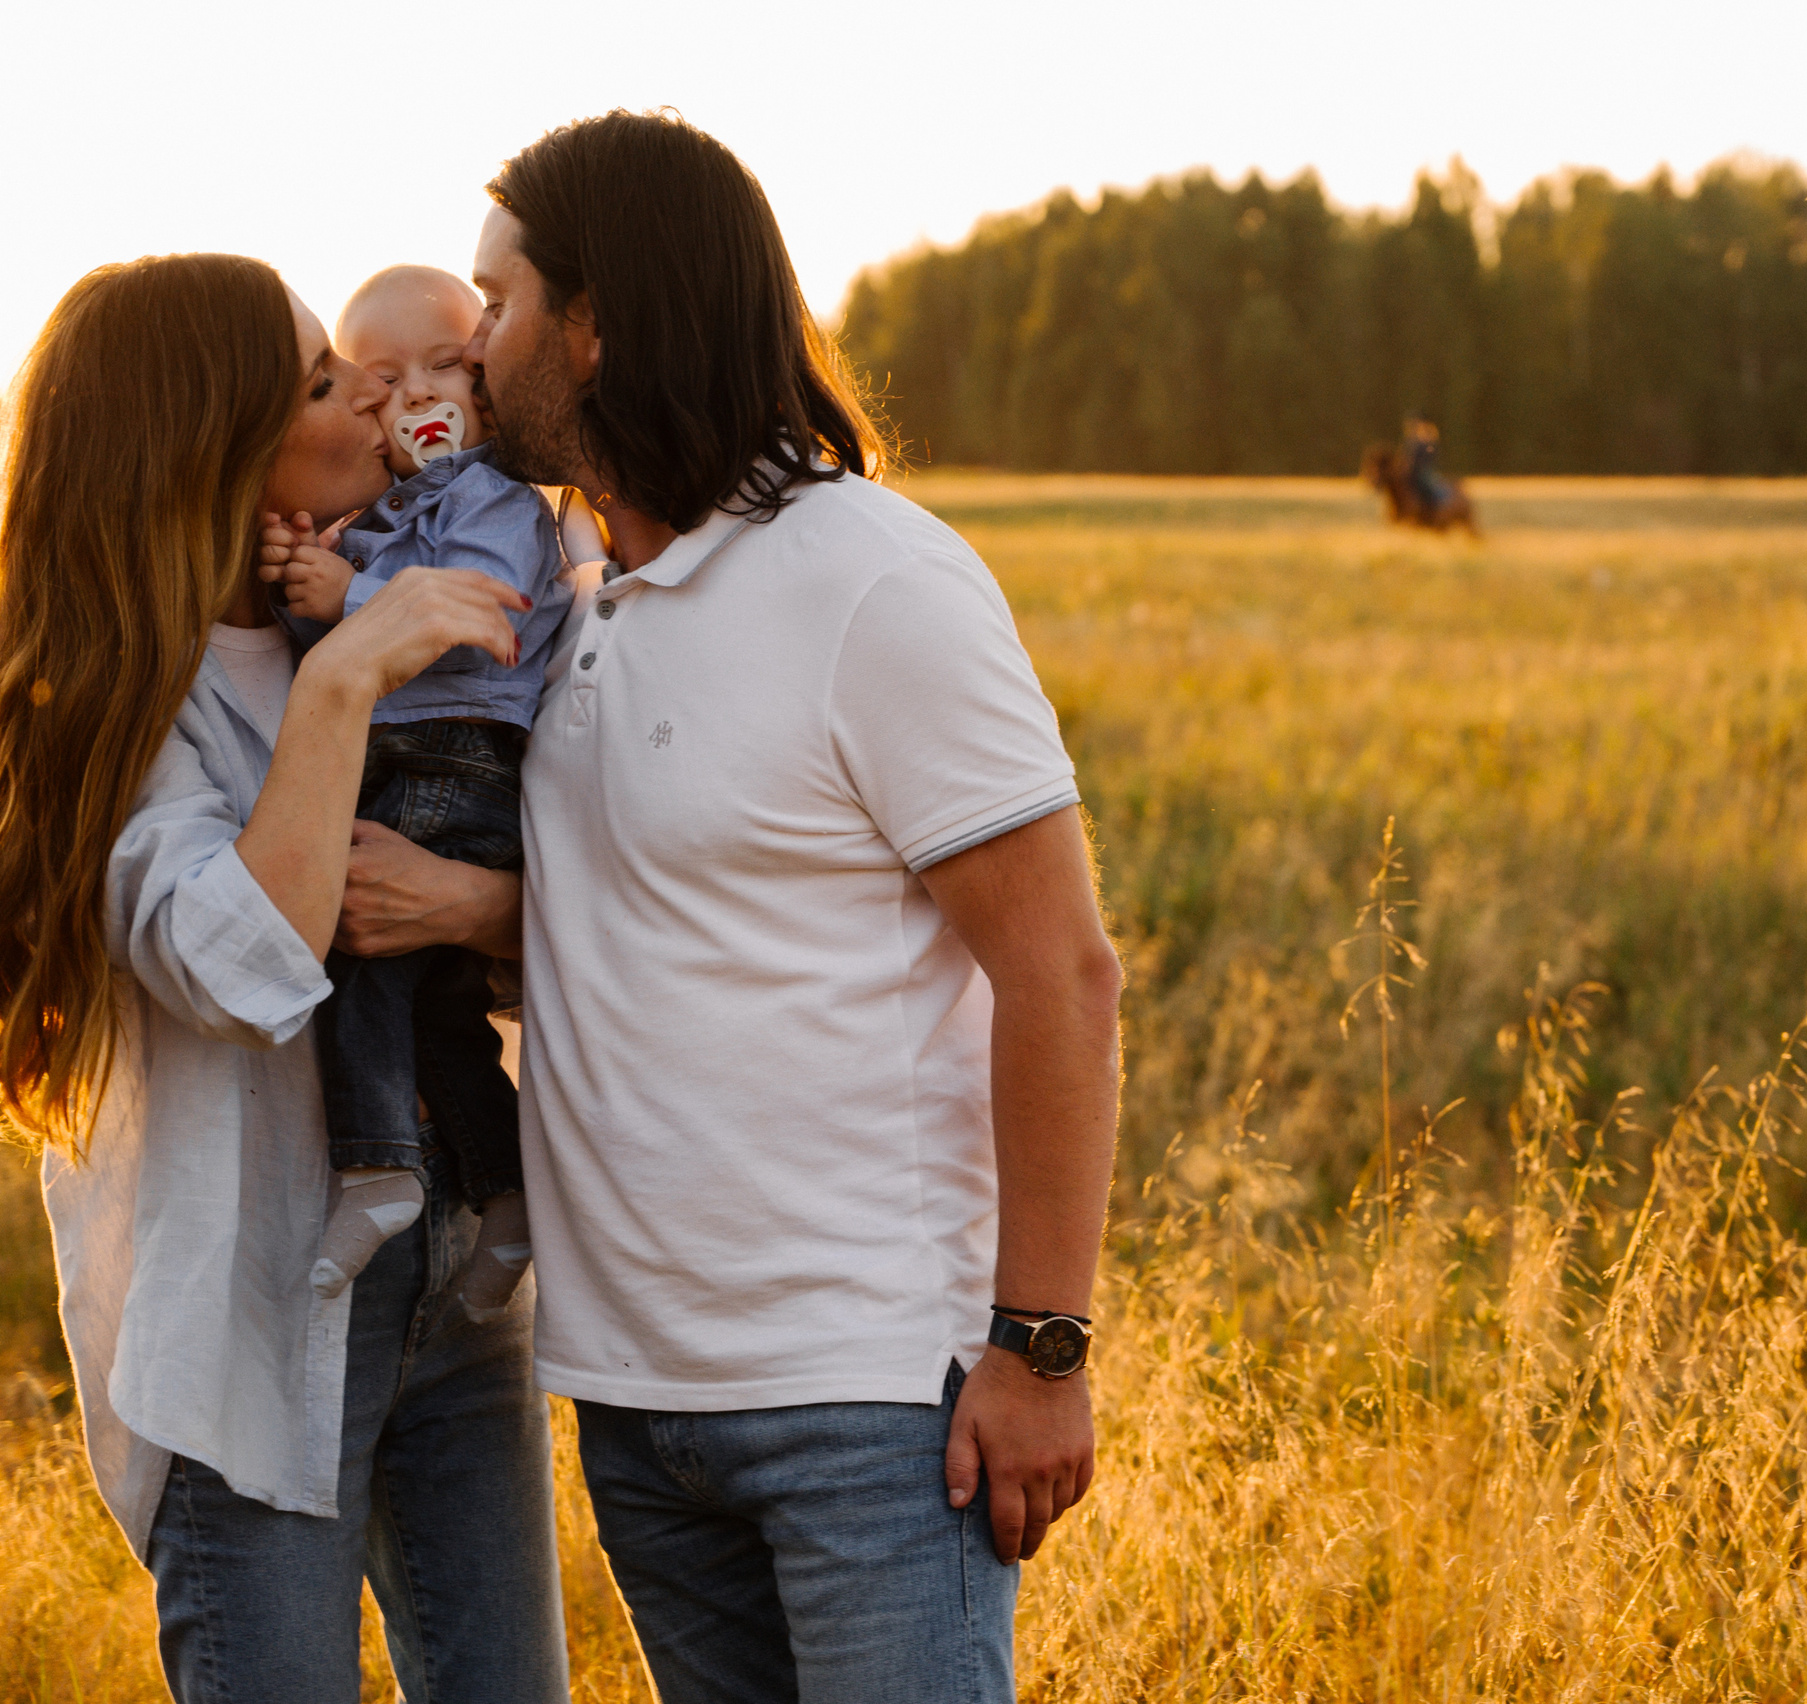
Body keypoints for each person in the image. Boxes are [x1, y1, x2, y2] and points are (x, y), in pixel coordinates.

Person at [337, 109, 1125, 1702]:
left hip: (862, 1401)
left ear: (603, 325)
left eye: (500, 305)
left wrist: (1043, 1350)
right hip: (633, 1401)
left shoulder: (871, 580)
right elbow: (672, 910)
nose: (468, 352)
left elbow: (1064, 975)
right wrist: (470, 907)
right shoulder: (577, 602)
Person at [0, 253, 571, 1703]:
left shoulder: (373, 591)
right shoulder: (137, 701)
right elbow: (246, 966)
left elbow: (513, 910)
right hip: (258, 1321)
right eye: (322, 380)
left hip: (454, 1271)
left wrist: (481, 896)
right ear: (220, 444)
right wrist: (342, 683)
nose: (374, 393)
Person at [261, 263, 574, 1317]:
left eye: (445, 365)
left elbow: (469, 616)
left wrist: (350, 592)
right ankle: (506, 1184)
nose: (415, 395)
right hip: (409, 747)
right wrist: (304, 584)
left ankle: (377, 1164)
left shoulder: (492, 497)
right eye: (383, 379)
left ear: (482, 386)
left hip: (458, 754)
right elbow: (345, 651)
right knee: (440, 1008)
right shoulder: (389, 518)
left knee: (360, 948)